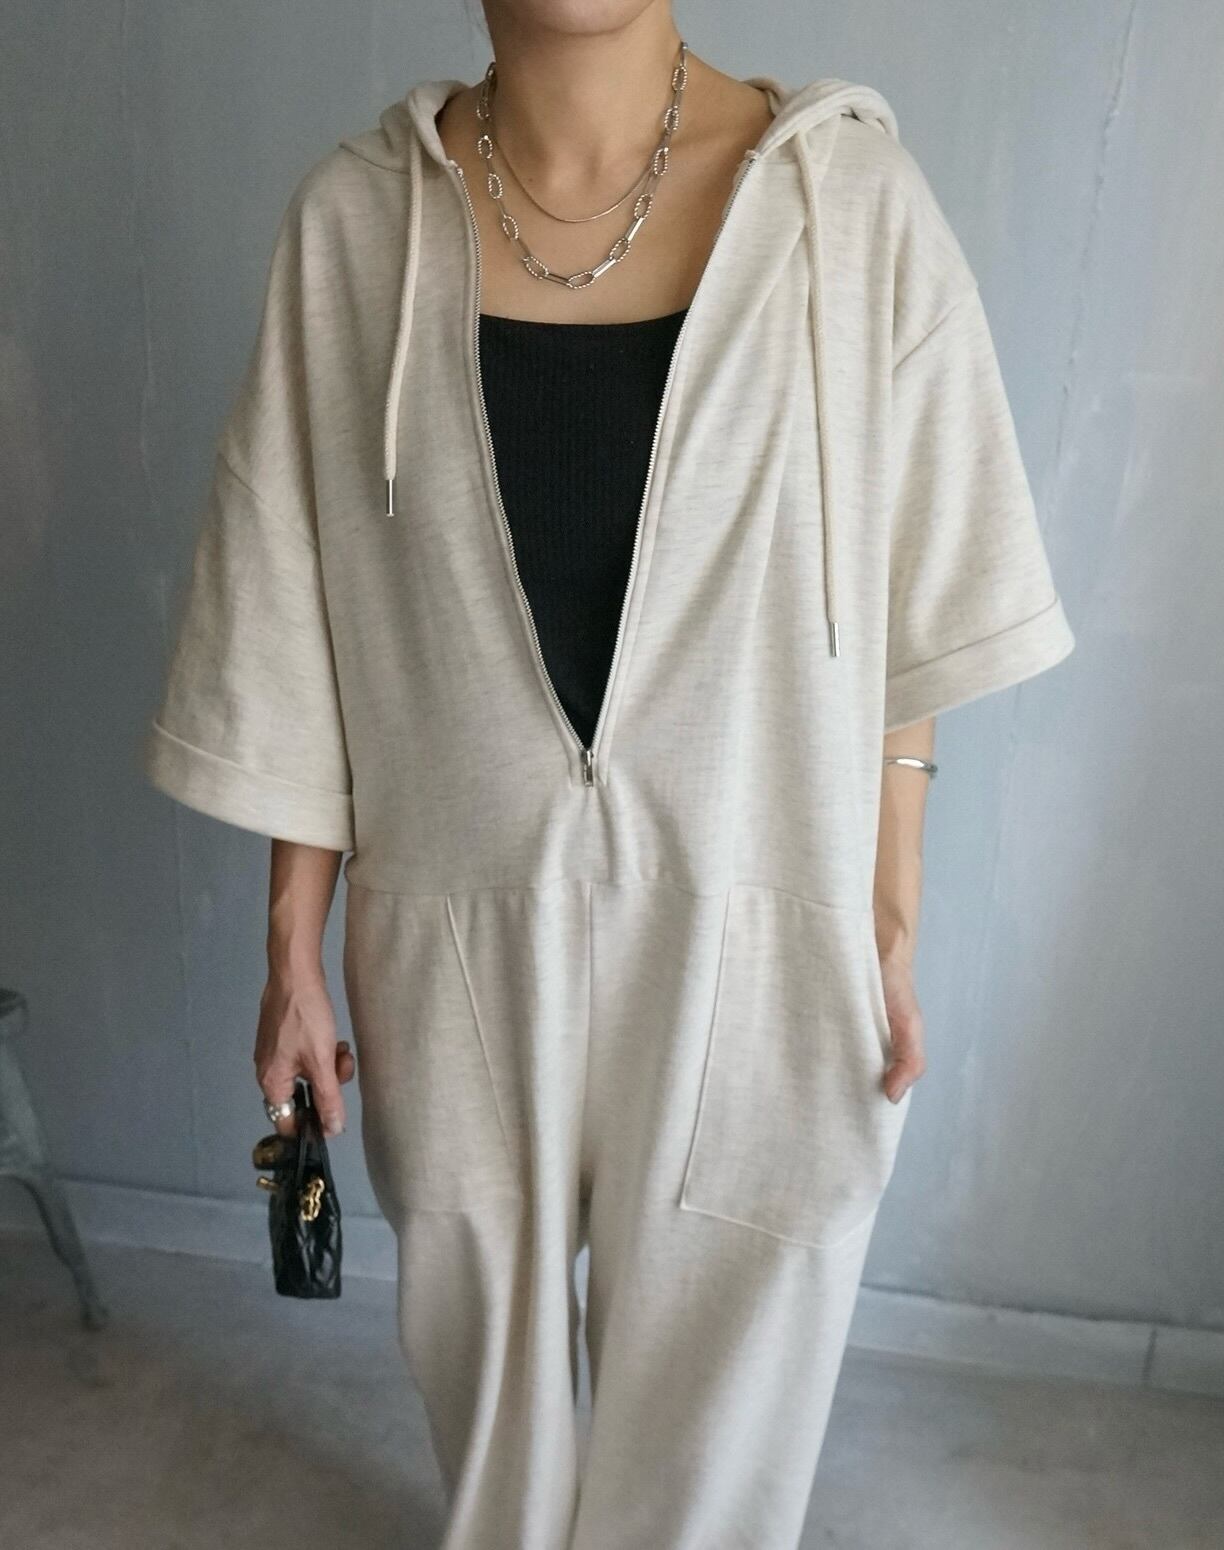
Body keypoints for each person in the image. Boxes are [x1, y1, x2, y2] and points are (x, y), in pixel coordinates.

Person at [140, 4, 1075, 1546]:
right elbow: (293, 603)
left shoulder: (849, 205)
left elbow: (925, 594)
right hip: (452, 927)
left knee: (716, 1456)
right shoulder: (356, 226)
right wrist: (290, 942)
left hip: (761, 921)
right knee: (494, 1439)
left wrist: (889, 903)